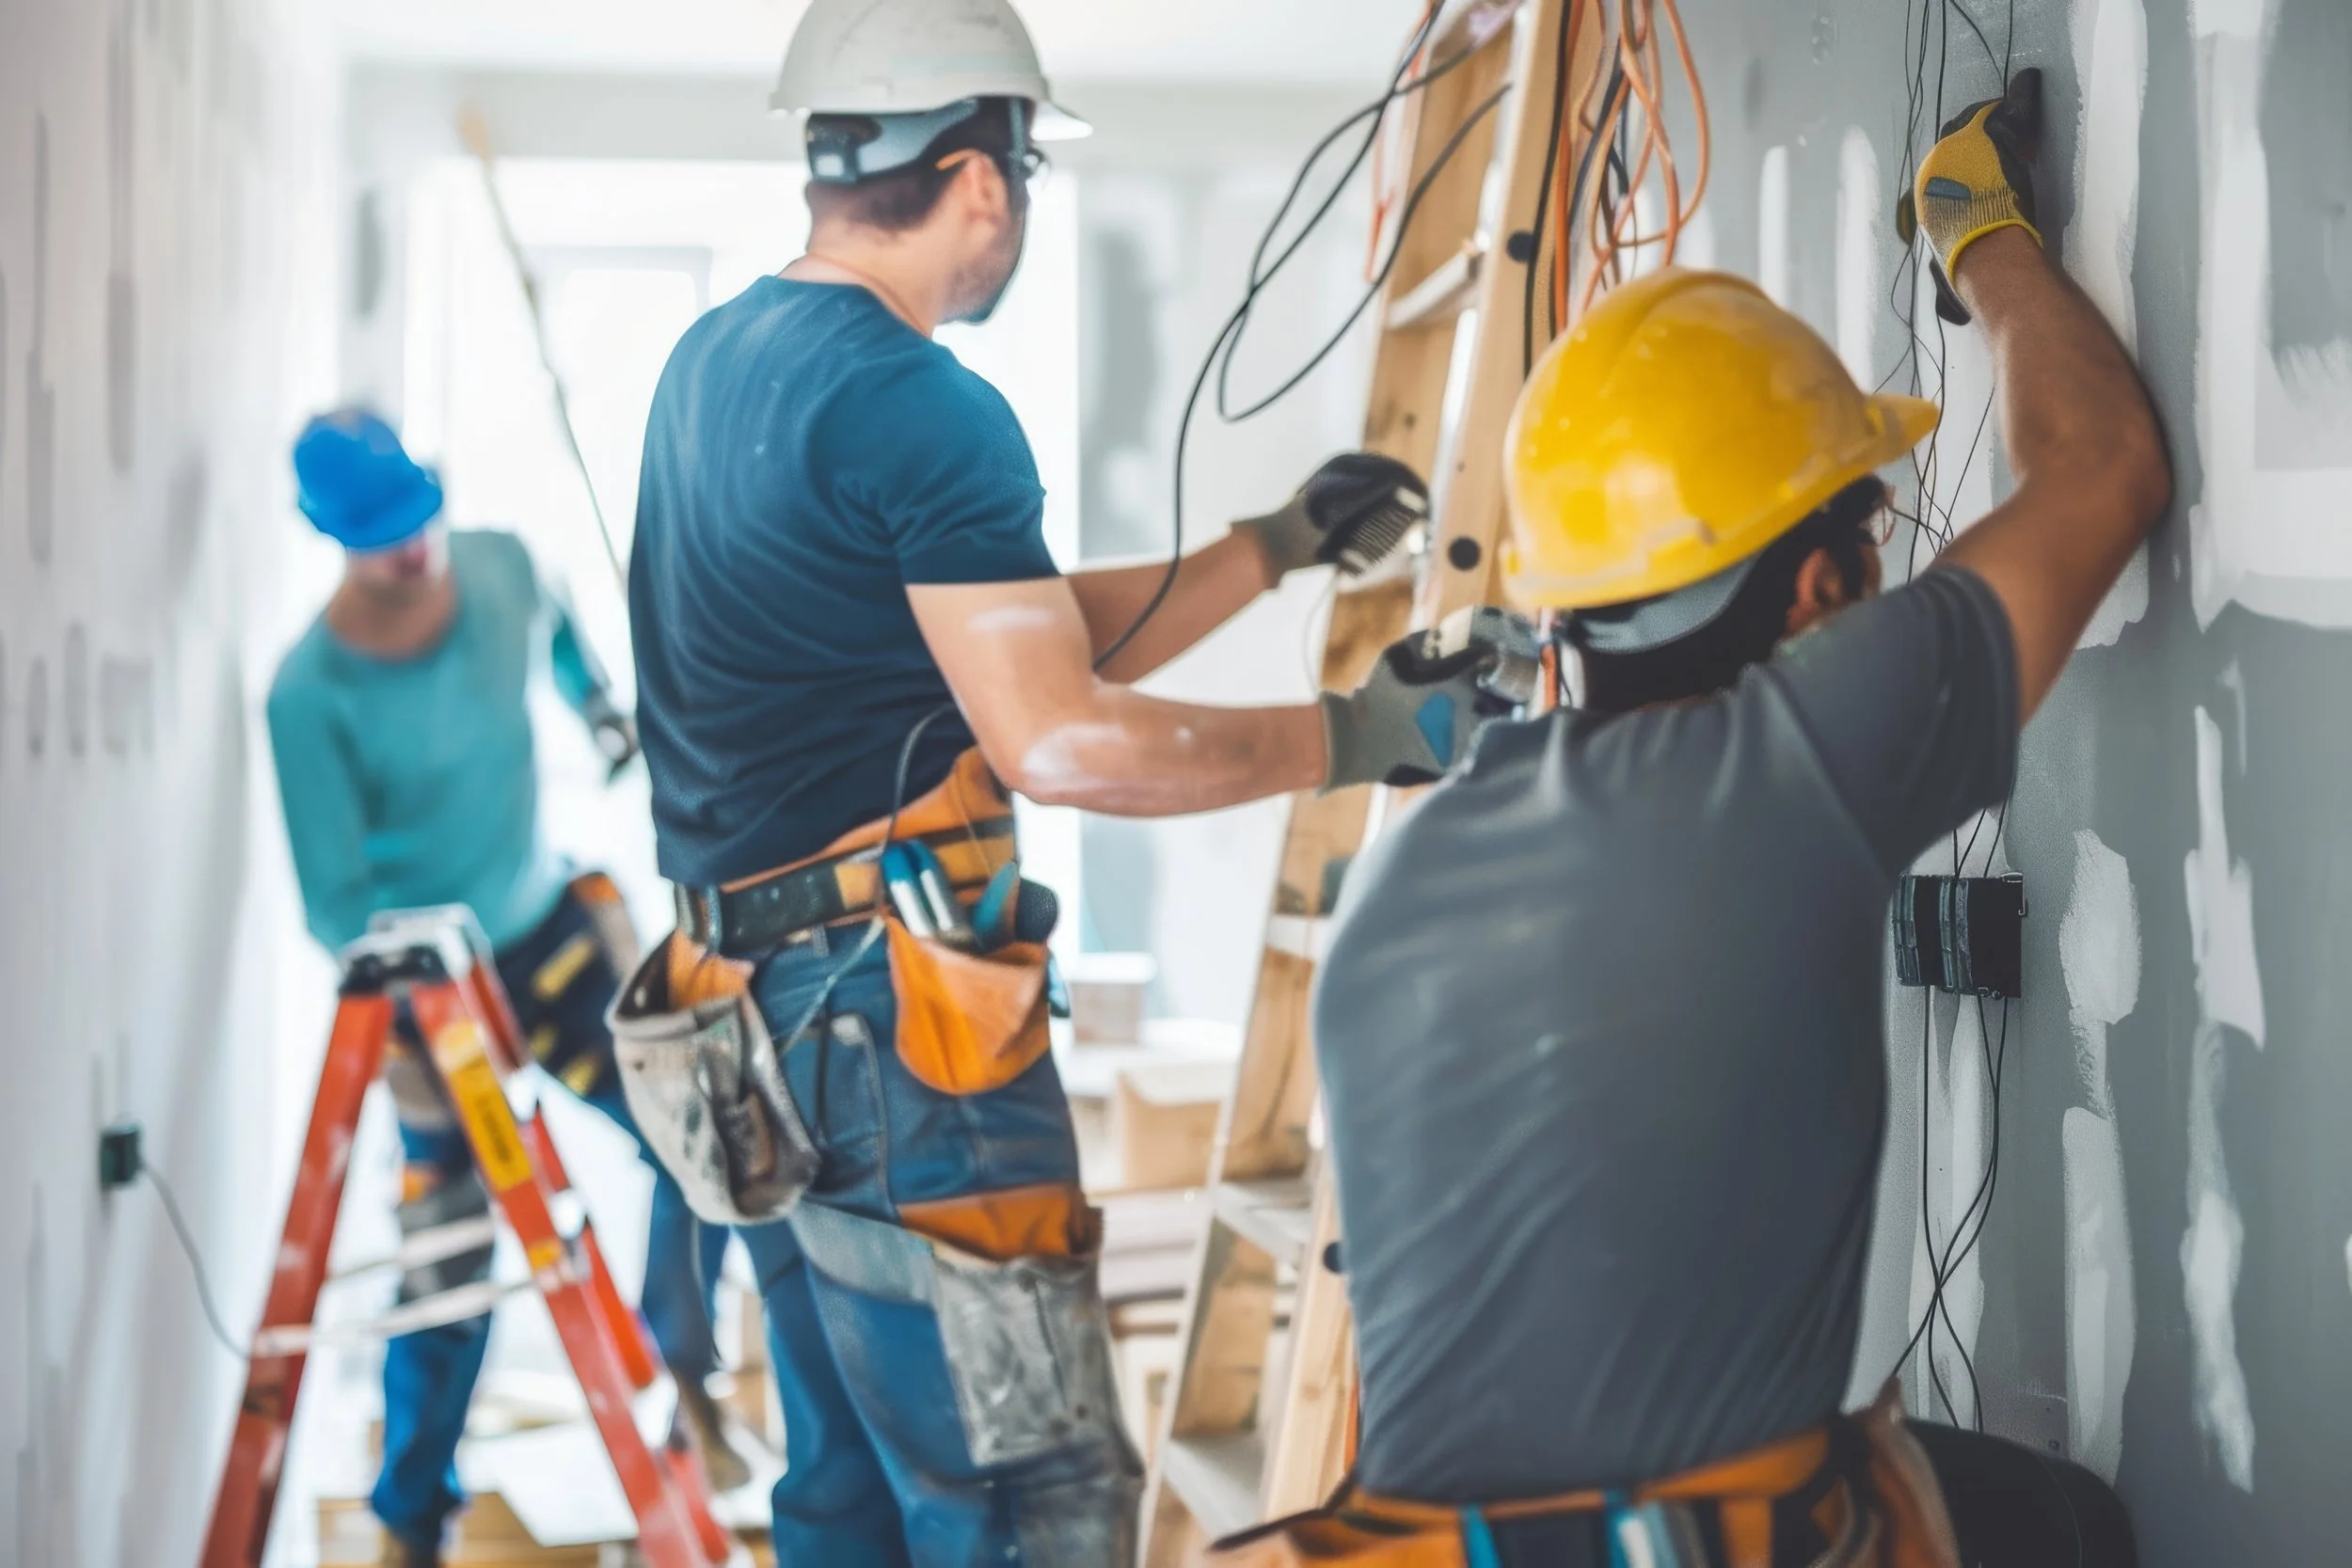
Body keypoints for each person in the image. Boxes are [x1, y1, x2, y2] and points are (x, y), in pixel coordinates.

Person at [1233, 72, 2168, 1568]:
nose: (1878, 563)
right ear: (1815, 589)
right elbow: (2105, 471)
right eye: (1865, 533)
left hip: (1410, 1542)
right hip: (1685, 1547)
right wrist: (1974, 223)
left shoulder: (1414, 863)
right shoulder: (1803, 749)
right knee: (2069, 1528)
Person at [620, 1, 1490, 1559]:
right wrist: (1355, 737)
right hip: (897, 1025)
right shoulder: (919, 402)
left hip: (756, 1012)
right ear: (981, 173)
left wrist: (1273, 548)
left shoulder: (716, 363)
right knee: (1025, 1493)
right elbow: (1055, 736)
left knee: (847, 1486)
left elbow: (1001, 644)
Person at [264, 410, 747, 1568]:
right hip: (428, 1004)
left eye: (418, 518)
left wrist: (596, 703)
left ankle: (685, 1363)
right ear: (336, 540)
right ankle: (411, 1521)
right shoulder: (309, 693)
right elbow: (331, 903)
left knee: (699, 1137)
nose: (414, 549)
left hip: (545, 948)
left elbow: (561, 633)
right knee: (448, 1263)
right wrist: (421, 964)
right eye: (382, 538)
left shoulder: (500, 566)